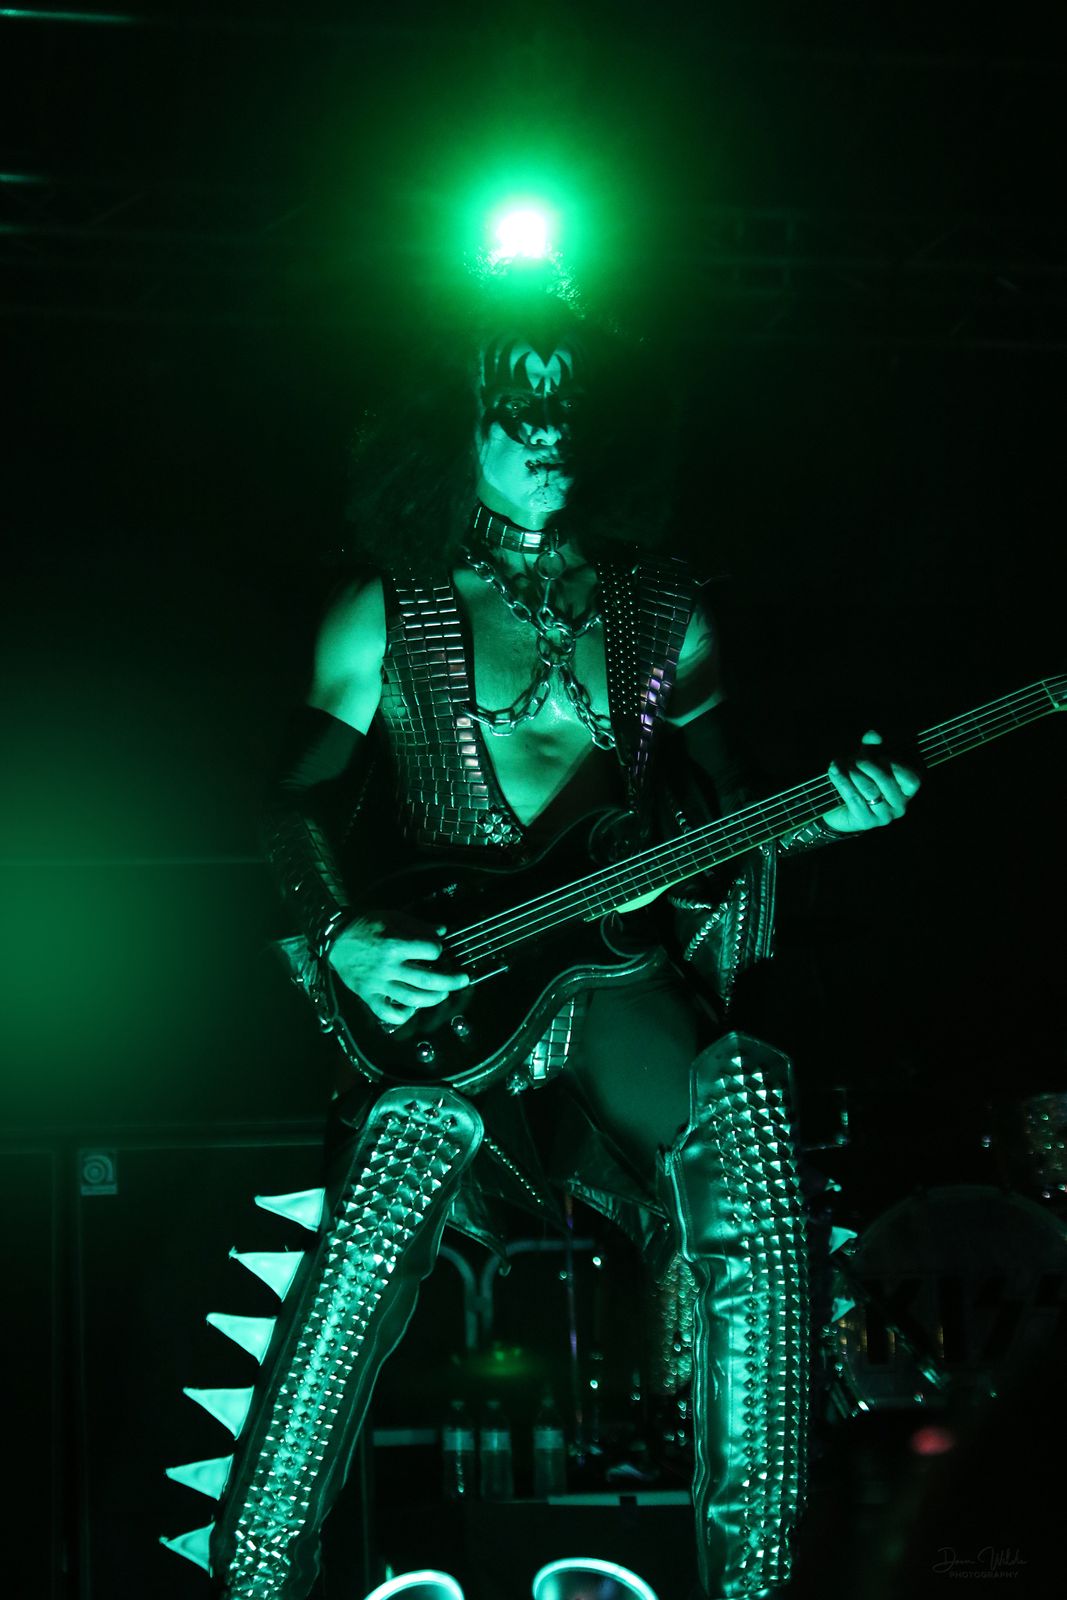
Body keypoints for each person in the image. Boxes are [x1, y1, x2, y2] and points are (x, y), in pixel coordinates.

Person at [161, 262, 920, 1600]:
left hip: (618, 966)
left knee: (746, 1116)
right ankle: (255, 1575)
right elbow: (287, 807)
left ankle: (761, 1581)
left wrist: (838, 812)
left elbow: (734, 812)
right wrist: (336, 933)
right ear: (455, 424)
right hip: (460, 976)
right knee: (383, 1194)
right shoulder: (389, 602)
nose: (547, 432)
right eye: (516, 407)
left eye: (570, 404)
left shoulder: (664, 607)